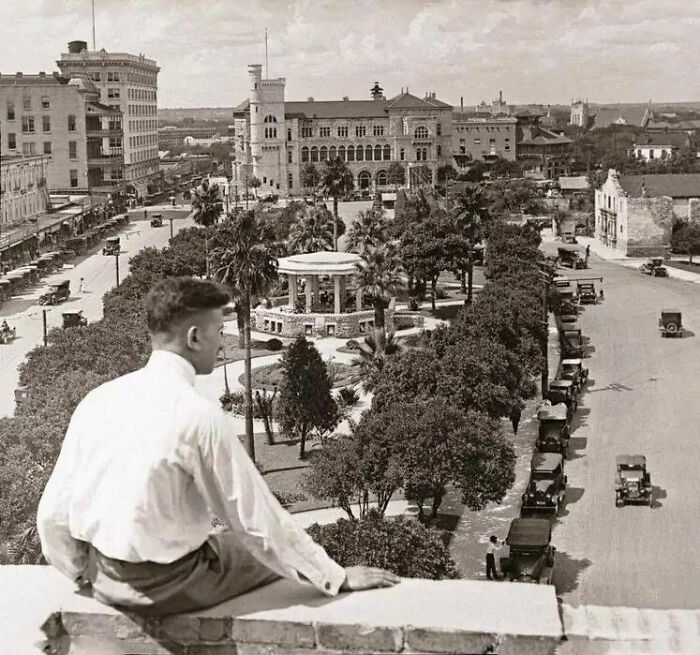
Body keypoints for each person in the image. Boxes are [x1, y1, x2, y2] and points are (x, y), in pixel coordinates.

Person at [37, 277, 399, 617]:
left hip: (106, 579)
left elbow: (52, 513)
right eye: (218, 332)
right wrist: (334, 577)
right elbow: (256, 519)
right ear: (194, 338)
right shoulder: (197, 416)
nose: (223, 342)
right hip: (168, 588)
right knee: (254, 551)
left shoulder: (98, 399)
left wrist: (79, 573)